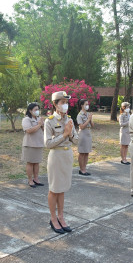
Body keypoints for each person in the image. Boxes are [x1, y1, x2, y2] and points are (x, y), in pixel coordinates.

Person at [44, 91, 79, 234]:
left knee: (62, 188)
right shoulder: (49, 121)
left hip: (67, 156)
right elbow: (48, 144)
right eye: (62, 102)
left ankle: (61, 217)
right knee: (54, 189)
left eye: (66, 102)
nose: (65, 105)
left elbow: (76, 141)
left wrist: (70, 132)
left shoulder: (69, 120)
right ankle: (53, 218)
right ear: (55, 104)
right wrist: (64, 134)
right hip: (56, 156)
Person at [21, 103, 45, 188]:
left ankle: (36, 179)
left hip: (38, 143)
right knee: (30, 163)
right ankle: (30, 180)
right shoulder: (26, 119)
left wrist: (42, 125)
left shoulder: (39, 119)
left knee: (36, 162)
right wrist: (39, 124)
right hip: (30, 144)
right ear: (30, 111)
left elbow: (44, 130)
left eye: (38, 109)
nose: (37, 111)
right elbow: (29, 131)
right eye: (35, 110)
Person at [77, 99, 94, 175]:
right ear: (82, 105)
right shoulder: (79, 115)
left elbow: (92, 125)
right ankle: (81, 169)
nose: (87, 106)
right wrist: (88, 119)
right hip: (83, 134)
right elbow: (82, 126)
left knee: (87, 152)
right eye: (86, 104)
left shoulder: (88, 114)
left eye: (88, 104)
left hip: (88, 133)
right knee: (82, 152)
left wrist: (91, 119)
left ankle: (85, 168)